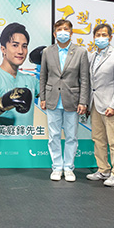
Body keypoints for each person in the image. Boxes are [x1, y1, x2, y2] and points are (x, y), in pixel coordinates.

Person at [39, 19, 89, 182]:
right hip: (52, 99)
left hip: (72, 100)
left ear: (71, 33)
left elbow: (85, 79)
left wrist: (83, 101)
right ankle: (56, 167)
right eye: (59, 29)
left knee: (71, 136)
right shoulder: (47, 51)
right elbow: (43, 76)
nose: (63, 32)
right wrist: (43, 97)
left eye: (66, 29)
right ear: (54, 34)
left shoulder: (80, 52)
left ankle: (68, 167)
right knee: (53, 135)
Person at [86, 24, 114, 187]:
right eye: (98, 35)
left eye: (104, 35)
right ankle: (103, 169)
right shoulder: (92, 56)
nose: (100, 38)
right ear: (93, 37)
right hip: (95, 104)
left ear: (110, 37)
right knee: (98, 139)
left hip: (111, 107)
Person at [0, 23, 38, 139]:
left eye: (24, 46)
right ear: (3, 49)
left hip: (27, 148)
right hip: (2, 148)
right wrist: (1, 105)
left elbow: (54, 96)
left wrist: (49, 62)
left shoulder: (31, 81)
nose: (20, 51)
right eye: (15, 45)